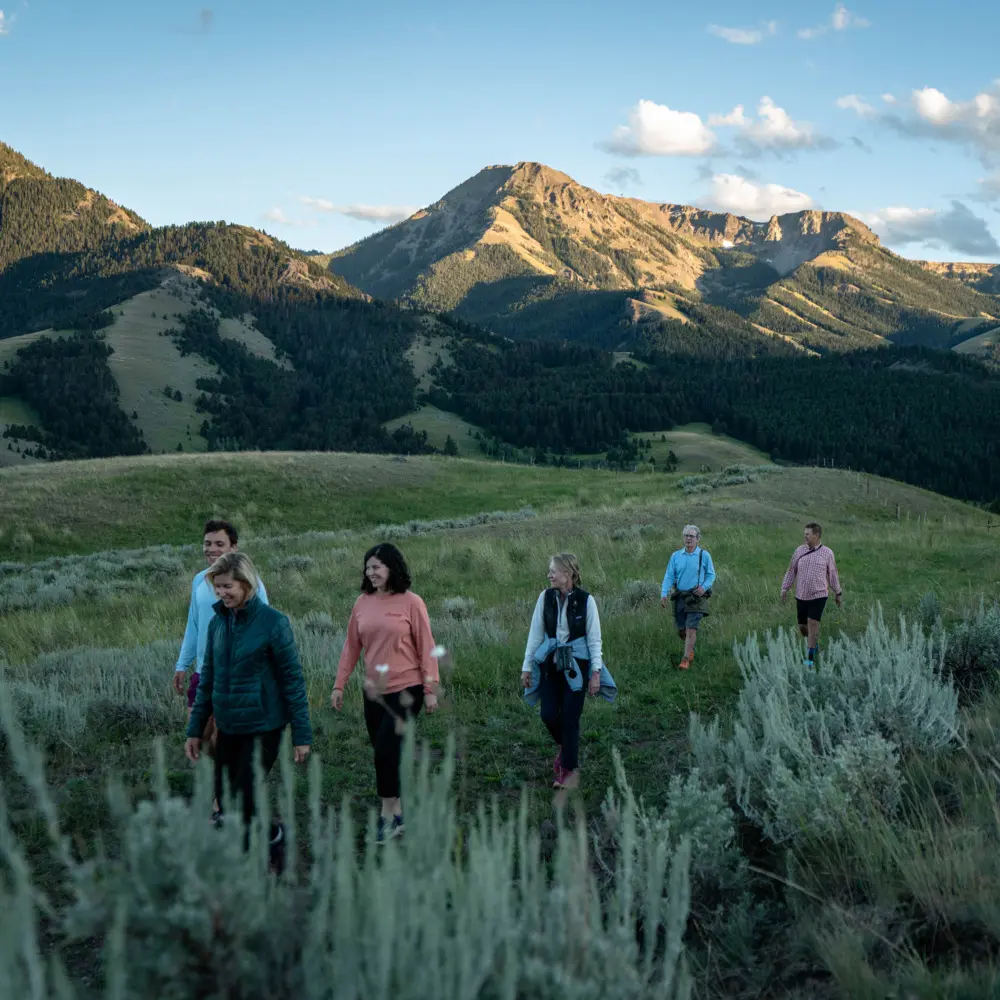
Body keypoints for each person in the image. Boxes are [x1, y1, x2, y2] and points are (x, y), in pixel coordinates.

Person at [184, 552, 311, 874]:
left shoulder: (273, 623)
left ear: (245, 583)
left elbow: (293, 681)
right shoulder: (216, 624)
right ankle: (269, 838)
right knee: (227, 798)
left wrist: (301, 734)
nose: (221, 593)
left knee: (244, 792)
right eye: (217, 588)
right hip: (228, 726)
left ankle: (257, 859)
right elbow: (207, 680)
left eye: (227, 586)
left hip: (264, 725)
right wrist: (195, 729)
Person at [330, 543, 440, 843]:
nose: (371, 572)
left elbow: (427, 648)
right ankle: (400, 811)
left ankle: (388, 816)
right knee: (388, 753)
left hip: (407, 688)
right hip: (373, 691)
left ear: (392, 567)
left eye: (377, 566)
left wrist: (430, 689)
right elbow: (351, 646)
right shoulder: (361, 603)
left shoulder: (411, 602)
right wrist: (339, 684)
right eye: (368, 567)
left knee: (384, 750)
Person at [521, 553, 616, 791]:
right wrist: (526, 667)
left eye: (553, 571)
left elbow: (595, 640)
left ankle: (568, 770)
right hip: (551, 664)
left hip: (578, 665)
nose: (549, 575)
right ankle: (566, 748)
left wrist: (595, 673)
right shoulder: (545, 598)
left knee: (570, 718)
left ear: (569, 573)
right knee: (548, 714)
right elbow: (535, 635)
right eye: (550, 571)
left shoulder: (586, 601)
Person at [174, 519, 269, 724]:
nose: (212, 549)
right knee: (198, 739)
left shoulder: (251, 583)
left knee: (228, 744)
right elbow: (194, 625)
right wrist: (182, 663)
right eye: (208, 543)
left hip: (237, 676)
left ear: (233, 548)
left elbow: (265, 629)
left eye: (219, 544)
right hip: (203, 673)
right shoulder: (199, 581)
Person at [781, 521, 843, 667]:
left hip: (819, 595)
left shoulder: (827, 553)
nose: (805, 536)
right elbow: (791, 571)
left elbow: (833, 574)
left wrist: (838, 592)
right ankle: (813, 644)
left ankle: (809, 658)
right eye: (805, 533)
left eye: (808, 534)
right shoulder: (799, 551)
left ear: (817, 535)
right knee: (803, 627)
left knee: (813, 622)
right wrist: (784, 588)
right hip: (801, 595)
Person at [660, 524, 716, 671]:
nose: (688, 539)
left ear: (698, 539)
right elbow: (669, 575)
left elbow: (711, 575)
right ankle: (690, 648)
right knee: (682, 630)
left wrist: (704, 587)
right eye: (686, 535)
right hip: (680, 596)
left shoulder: (704, 555)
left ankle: (685, 659)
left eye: (691, 536)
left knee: (691, 629)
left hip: (696, 598)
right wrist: (664, 593)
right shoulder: (676, 556)